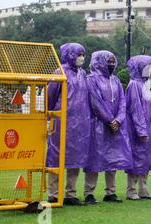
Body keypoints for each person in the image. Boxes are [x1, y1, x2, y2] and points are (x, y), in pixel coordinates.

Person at [83, 51, 132, 204]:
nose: (111, 65)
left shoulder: (116, 80)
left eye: (113, 62)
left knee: (113, 158)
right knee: (94, 159)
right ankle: (89, 193)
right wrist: (110, 120)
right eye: (108, 62)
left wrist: (118, 120)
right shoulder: (91, 80)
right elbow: (95, 102)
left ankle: (110, 192)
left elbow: (122, 103)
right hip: (97, 125)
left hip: (115, 127)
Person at [47, 43, 91, 205]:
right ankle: (53, 193)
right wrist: (49, 117)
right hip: (60, 122)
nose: (82, 58)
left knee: (76, 158)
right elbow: (50, 98)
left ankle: (70, 194)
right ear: (70, 55)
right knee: (56, 156)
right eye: (78, 54)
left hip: (79, 124)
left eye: (83, 54)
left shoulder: (83, 73)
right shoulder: (59, 73)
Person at [125, 55, 151, 200]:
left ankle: (144, 189)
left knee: (146, 158)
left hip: (149, 128)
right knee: (137, 158)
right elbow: (136, 109)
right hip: (138, 130)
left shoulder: (144, 84)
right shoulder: (134, 84)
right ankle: (131, 190)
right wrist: (141, 130)